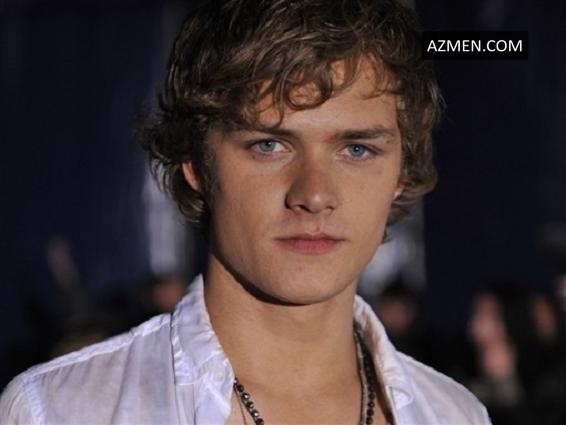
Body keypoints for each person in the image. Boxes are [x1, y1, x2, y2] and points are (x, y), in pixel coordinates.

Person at [0, 0, 491, 423]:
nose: (314, 195)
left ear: (402, 171)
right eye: (269, 145)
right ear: (196, 163)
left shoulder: (455, 414)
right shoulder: (60, 409)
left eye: (357, 149)